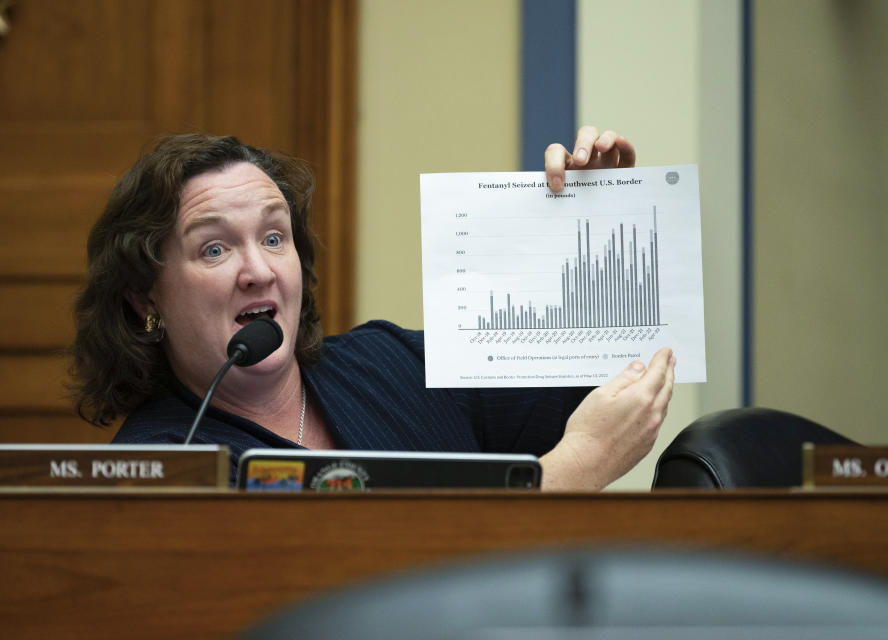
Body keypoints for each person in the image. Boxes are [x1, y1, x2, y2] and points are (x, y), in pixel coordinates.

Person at [69, 126, 674, 490]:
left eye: (275, 237)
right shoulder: (160, 467)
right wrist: (571, 475)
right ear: (146, 295)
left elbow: (589, 390)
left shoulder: (391, 362)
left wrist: (597, 219)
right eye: (216, 247)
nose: (258, 270)